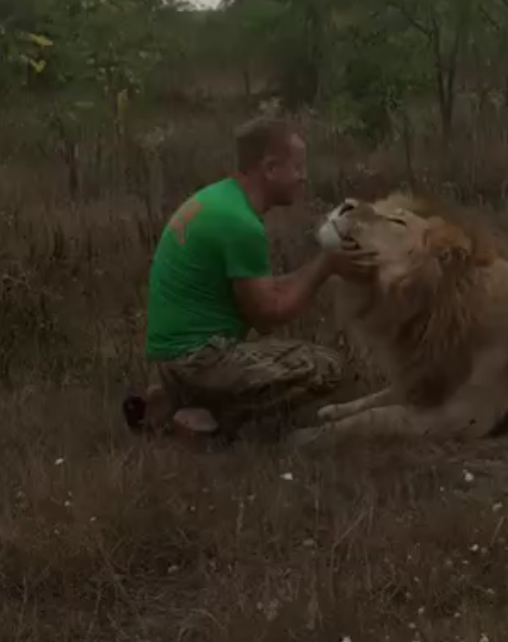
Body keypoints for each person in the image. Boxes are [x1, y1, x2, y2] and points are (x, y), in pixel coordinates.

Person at [123, 114, 373, 439]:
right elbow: (267, 316)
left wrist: (322, 266)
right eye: (297, 167)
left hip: (174, 357)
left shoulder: (217, 199)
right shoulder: (241, 224)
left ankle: (171, 399)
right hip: (200, 358)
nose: (303, 177)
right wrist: (325, 268)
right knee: (327, 368)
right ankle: (203, 422)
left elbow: (262, 291)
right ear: (270, 169)